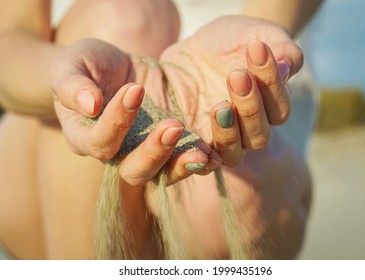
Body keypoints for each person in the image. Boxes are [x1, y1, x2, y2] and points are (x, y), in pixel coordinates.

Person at [0, 0, 319, 259]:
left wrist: (244, 66)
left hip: (223, 106)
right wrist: (66, 78)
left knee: (223, 200)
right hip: (43, 148)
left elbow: (259, 45)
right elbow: (9, 41)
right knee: (121, 15)